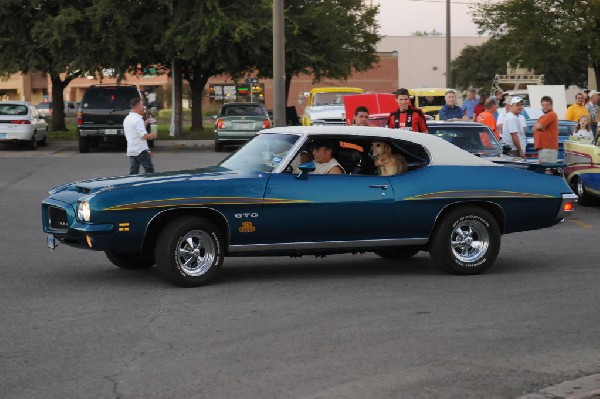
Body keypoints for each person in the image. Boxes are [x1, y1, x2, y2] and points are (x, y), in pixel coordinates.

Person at [124, 97, 157, 174]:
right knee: (149, 170)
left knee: (133, 173)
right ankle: (150, 185)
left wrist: (145, 123)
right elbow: (143, 136)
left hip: (132, 150)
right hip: (141, 150)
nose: (143, 107)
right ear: (137, 106)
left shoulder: (127, 119)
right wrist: (152, 135)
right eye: (142, 105)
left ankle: (132, 185)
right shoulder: (138, 119)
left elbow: (134, 131)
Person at [532, 96, 559, 167]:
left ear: (551, 105)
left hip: (548, 149)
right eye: (543, 105)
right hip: (543, 149)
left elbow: (538, 126)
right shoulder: (542, 117)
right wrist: (539, 127)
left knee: (548, 171)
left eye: (547, 105)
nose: (545, 107)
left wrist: (539, 126)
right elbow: (533, 129)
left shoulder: (551, 114)